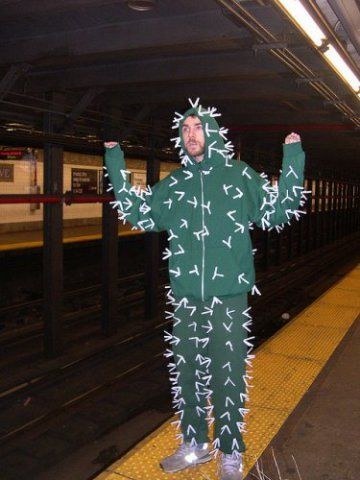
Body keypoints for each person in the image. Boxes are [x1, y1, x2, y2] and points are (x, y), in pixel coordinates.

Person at [104, 98, 306, 480]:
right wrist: (115, 165)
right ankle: (194, 443)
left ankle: (229, 450)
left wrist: (292, 158)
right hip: (184, 296)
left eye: (198, 127)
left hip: (228, 296)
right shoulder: (176, 184)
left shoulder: (238, 175)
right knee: (187, 372)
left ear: (212, 133)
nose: (192, 134)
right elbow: (138, 212)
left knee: (227, 373)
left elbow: (279, 210)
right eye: (186, 129)